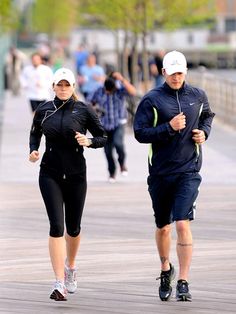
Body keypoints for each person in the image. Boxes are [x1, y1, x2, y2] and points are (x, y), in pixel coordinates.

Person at [133, 51, 215, 301]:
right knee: (164, 227)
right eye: (172, 72)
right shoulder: (152, 99)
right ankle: (166, 268)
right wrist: (169, 128)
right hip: (160, 173)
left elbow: (207, 115)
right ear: (164, 72)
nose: (177, 77)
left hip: (188, 171)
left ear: (185, 72)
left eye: (180, 72)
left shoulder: (197, 95)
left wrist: (204, 133)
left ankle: (183, 281)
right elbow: (140, 133)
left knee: (182, 222)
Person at [29, 68, 107, 301]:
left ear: (73, 87)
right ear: (53, 86)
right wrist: (33, 151)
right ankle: (59, 282)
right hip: (49, 173)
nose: (63, 89)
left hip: (76, 175)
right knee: (56, 227)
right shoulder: (43, 109)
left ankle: (70, 267)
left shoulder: (84, 110)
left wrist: (89, 141)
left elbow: (103, 136)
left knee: (73, 228)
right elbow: (35, 134)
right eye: (59, 85)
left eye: (67, 85)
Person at [88, 71, 136, 182]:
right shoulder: (99, 90)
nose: (108, 92)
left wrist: (122, 79)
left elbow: (133, 92)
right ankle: (112, 173)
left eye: (111, 91)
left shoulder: (120, 90)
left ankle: (122, 164)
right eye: (106, 90)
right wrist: (94, 108)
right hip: (104, 124)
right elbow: (89, 102)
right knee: (108, 151)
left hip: (118, 122)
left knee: (118, 144)